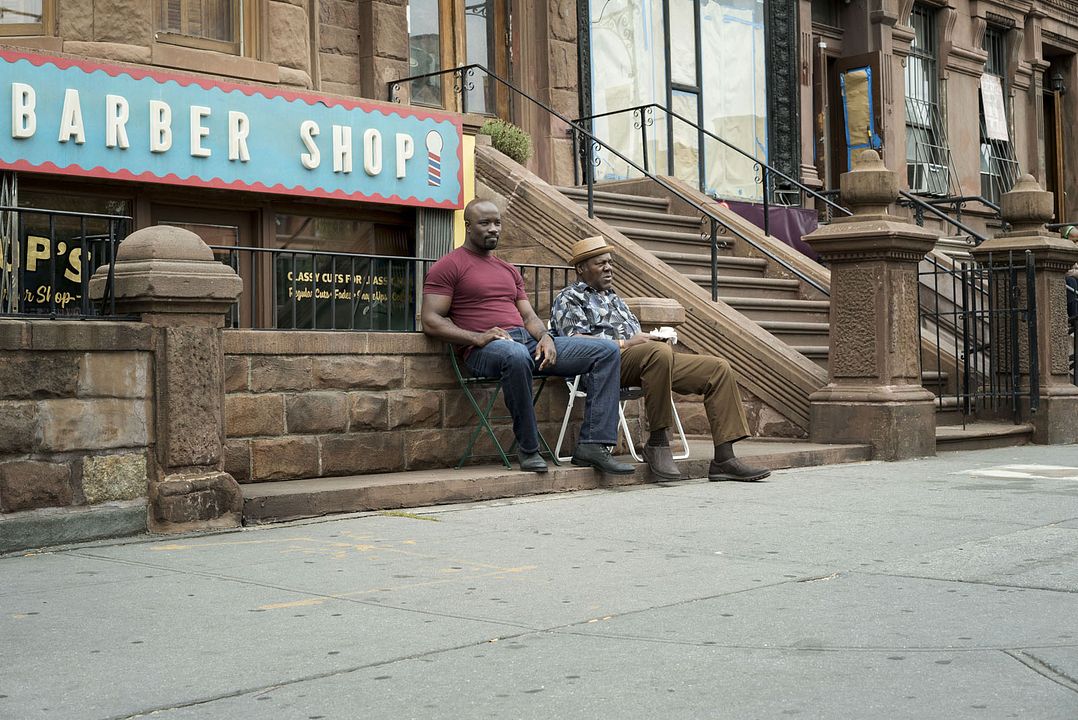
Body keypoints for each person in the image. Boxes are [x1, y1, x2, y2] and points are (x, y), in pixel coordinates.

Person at [421, 200, 634, 475]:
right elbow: (430, 320)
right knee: (516, 355)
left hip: (527, 342)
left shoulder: (507, 270)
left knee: (605, 351)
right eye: (485, 223)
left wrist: (546, 337)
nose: (493, 229)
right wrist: (477, 338)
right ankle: (528, 448)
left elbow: (529, 317)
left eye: (497, 223)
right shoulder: (449, 266)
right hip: (486, 349)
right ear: (468, 226)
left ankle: (593, 445)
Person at [550, 235, 771, 482]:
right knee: (658, 355)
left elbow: (636, 337)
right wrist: (625, 343)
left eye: (610, 262)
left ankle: (724, 458)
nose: (608, 267)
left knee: (718, 368)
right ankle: (657, 441)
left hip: (646, 361)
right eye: (600, 263)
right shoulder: (569, 298)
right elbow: (574, 343)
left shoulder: (615, 299)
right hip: (604, 366)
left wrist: (653, 338)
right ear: (581, 268)